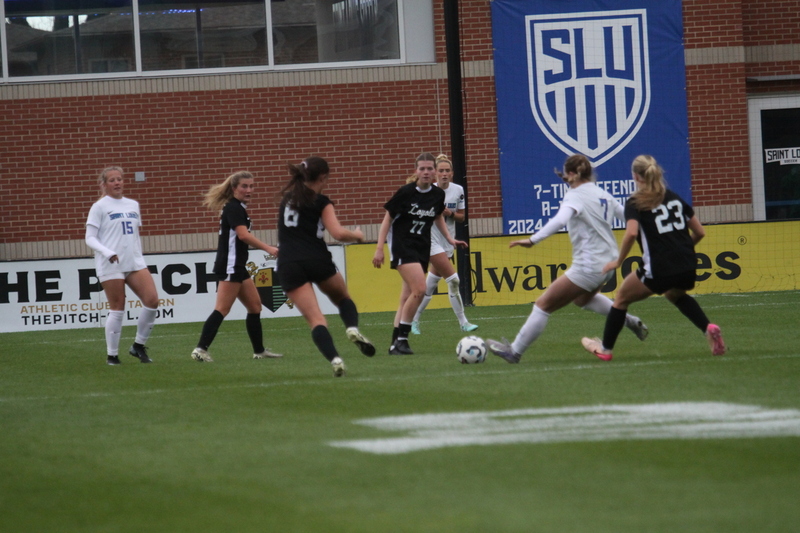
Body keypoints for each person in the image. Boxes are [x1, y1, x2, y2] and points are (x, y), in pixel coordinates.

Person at [487, 154, 649, 364]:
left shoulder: (575, 195)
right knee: (582, 300)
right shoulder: (602, 194)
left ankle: (514, 351)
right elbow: (630, 220)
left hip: (589, 266)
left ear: (571, 174)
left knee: (543, 305)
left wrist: (533, 240)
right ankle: (628, 320)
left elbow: (560, 220)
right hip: (608, 264)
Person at [581, 155, 726, 361]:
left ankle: (605, 350)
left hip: (659, 267)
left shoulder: (636, 202)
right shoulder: (673, 197)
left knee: (621, 299)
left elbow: (631, 233)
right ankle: (708, 328)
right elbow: (700, 232)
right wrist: (683, 250)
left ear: (635, 176)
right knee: (675, 294)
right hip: (688, 264)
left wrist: (618, 261)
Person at [277, 156, 375, 377]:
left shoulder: (287, 199)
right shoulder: (321, 201)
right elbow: (338, 233)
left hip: (288, 263)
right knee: (343, 298)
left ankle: (335, 359)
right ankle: (352, 328)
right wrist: (357, 235)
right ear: (322, 177)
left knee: (317, 320)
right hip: (317, 259)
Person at [373, 152, 468, 355]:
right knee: (420, 289)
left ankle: (394, 344)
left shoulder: (437, 195)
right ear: (416, 171)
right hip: (402, 246)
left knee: (407, 296)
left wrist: (450, 239)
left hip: (421, 247)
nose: (426, 172)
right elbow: (388, 218)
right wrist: (379, 248)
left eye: (429, 168)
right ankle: (402, 339)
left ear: (434, 171)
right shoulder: (406, 192)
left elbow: (437, 217)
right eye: (422, 168)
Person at [191, 171, 282, 362]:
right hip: (230, 265)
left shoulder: (237, 207)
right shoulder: (233, 208)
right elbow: (243, 235)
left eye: (251, 186)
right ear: (234, 188)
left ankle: (259, 351)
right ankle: (200, 349)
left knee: (255, 306)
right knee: (222, 309)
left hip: (238, 266)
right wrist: (269, 248)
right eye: (244, 186)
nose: (249, 190)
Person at [85, 166, 159, 365]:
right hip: (111, 263)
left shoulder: (133, 204)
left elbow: (133, 236)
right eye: (112, 180)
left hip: (134, 261)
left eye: (119, 179)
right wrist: (108, 252)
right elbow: (90, 238)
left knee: (152, 300)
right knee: (117, 308)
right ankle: (112, 355)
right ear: (104, 184)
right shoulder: (99, 207)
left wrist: (137, 256)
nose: (117, 183)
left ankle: (138, 346)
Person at [410, 154, 478, 335]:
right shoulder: (428, 191)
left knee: (430, 284)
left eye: (447, 171)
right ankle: (463, 322)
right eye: (441, 171)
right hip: (430, 240)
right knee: (453, 280)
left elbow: (461, 217)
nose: (444, 174)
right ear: (435, 173)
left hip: (448, 239)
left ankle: (413, 319)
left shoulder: (458, 190)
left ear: (452, 173)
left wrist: (450, 214)